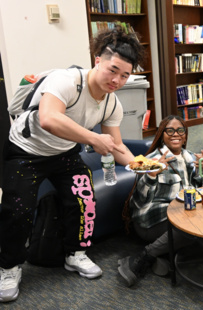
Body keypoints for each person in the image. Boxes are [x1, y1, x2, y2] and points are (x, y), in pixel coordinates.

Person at [0, 26, 145, 302]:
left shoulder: (111, 103)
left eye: (125, 75)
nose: (117, 80)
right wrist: (93, 138)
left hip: (64, 153)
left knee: (84, 200)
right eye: (112, 70)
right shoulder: (65, 80)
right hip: (26, 150)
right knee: (18, 210)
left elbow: (116, 146)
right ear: (97, 60)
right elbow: (49, 119)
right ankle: (8, 266)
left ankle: (75, 253)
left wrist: (142, 165)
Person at [118, 115, 203, 287]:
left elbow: (198, 192)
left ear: (186, 135)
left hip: (181, 214)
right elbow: (138, 202)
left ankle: (164, 254)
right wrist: (151, 174)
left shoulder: (189, 158)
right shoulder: (152, 160)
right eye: (170, 130)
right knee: (191, 230)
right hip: (150, 221)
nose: (176, 134)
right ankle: (144, 257)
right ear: (162, 134)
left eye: (180, 130)